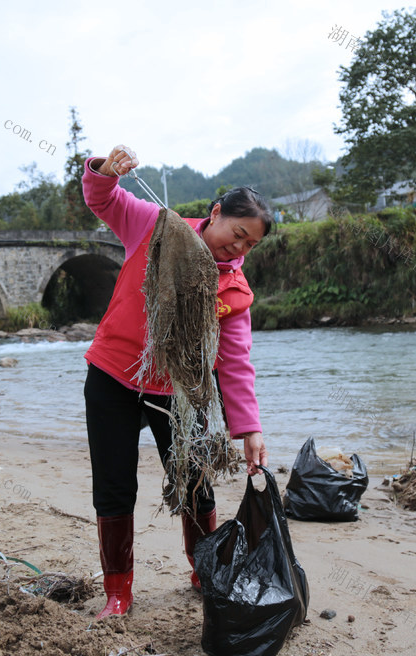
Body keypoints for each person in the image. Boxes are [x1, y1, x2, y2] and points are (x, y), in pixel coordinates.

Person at [81, 144, 270, 619]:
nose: (239, 248)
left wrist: (249, 429)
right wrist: (104, 172)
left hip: (181, 393)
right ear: (216, 212)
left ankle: (202, 570)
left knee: (195, 483)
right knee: (114, 485)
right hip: (112, 377)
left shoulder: (232, 288)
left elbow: (234, 362)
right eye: (238, 233)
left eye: (251, 245)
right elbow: (103, 201)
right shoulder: (156, 227)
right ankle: (118, 594)